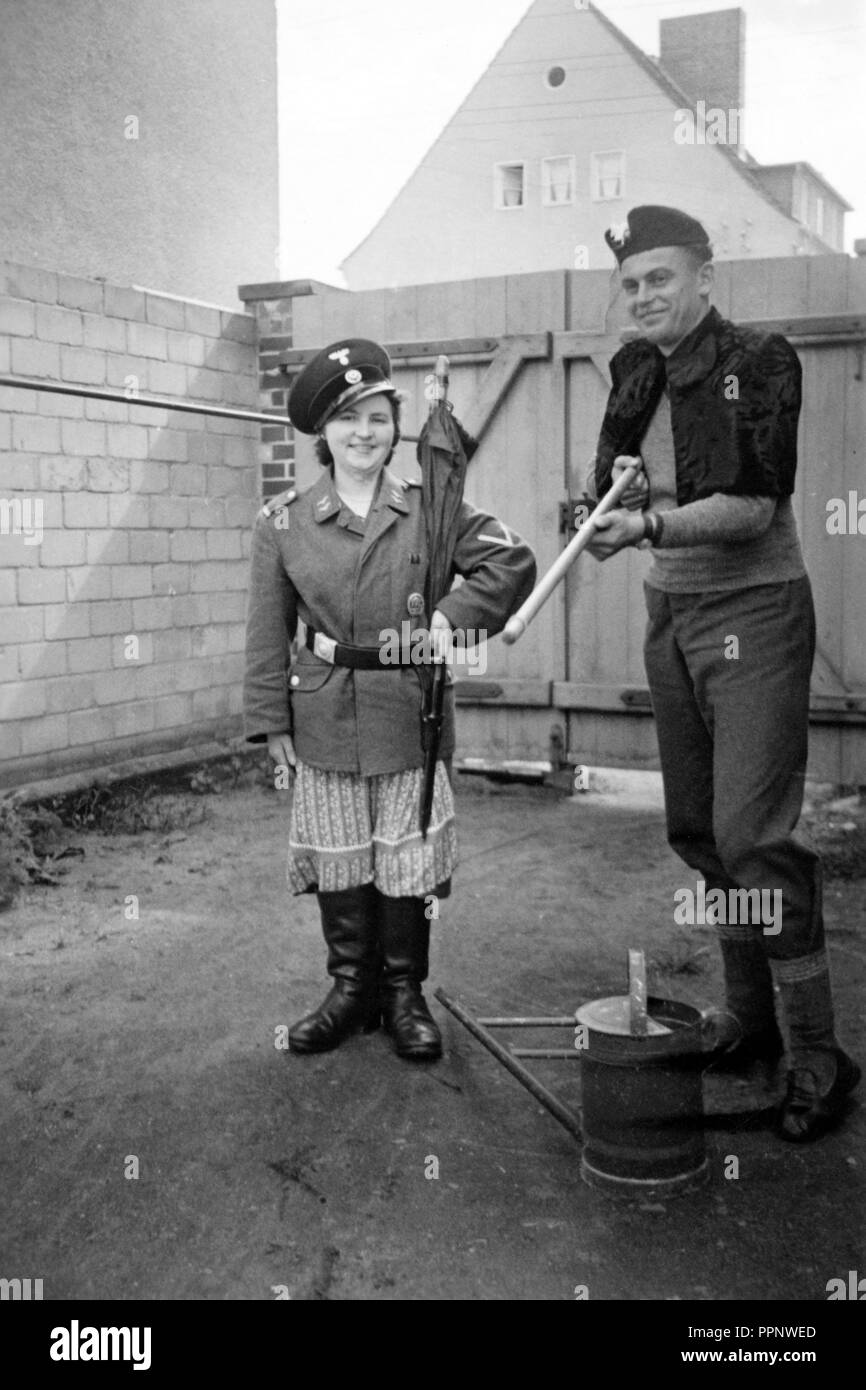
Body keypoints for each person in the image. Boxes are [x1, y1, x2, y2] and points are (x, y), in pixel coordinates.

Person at [585, 205, 859, 1142]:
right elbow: (620, 486)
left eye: (660, 277)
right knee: (701, 828)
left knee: (756, 835)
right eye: (630, 283)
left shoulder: (761, 358)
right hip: (673, 612)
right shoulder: (633, 370)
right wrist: (604, 506)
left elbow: (752, 504)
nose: (645, 295)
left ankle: (820, 1058)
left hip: (755, 612)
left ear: (705, 274)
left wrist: (652, 524)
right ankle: (751, 1023)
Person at [243, 339, 536, 1062]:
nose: (364, 433)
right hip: (322, 710)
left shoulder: (430, 509)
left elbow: (512, 558)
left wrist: (454, 616)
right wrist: (269, 720)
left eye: (377, 416)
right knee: (343, 857)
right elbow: (265, 628)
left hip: (408, 707)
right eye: (347, 420)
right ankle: (350, 990)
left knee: (404, 858)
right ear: (322, 434)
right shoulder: (281, 522)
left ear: (396, 423)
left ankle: (404, 993)